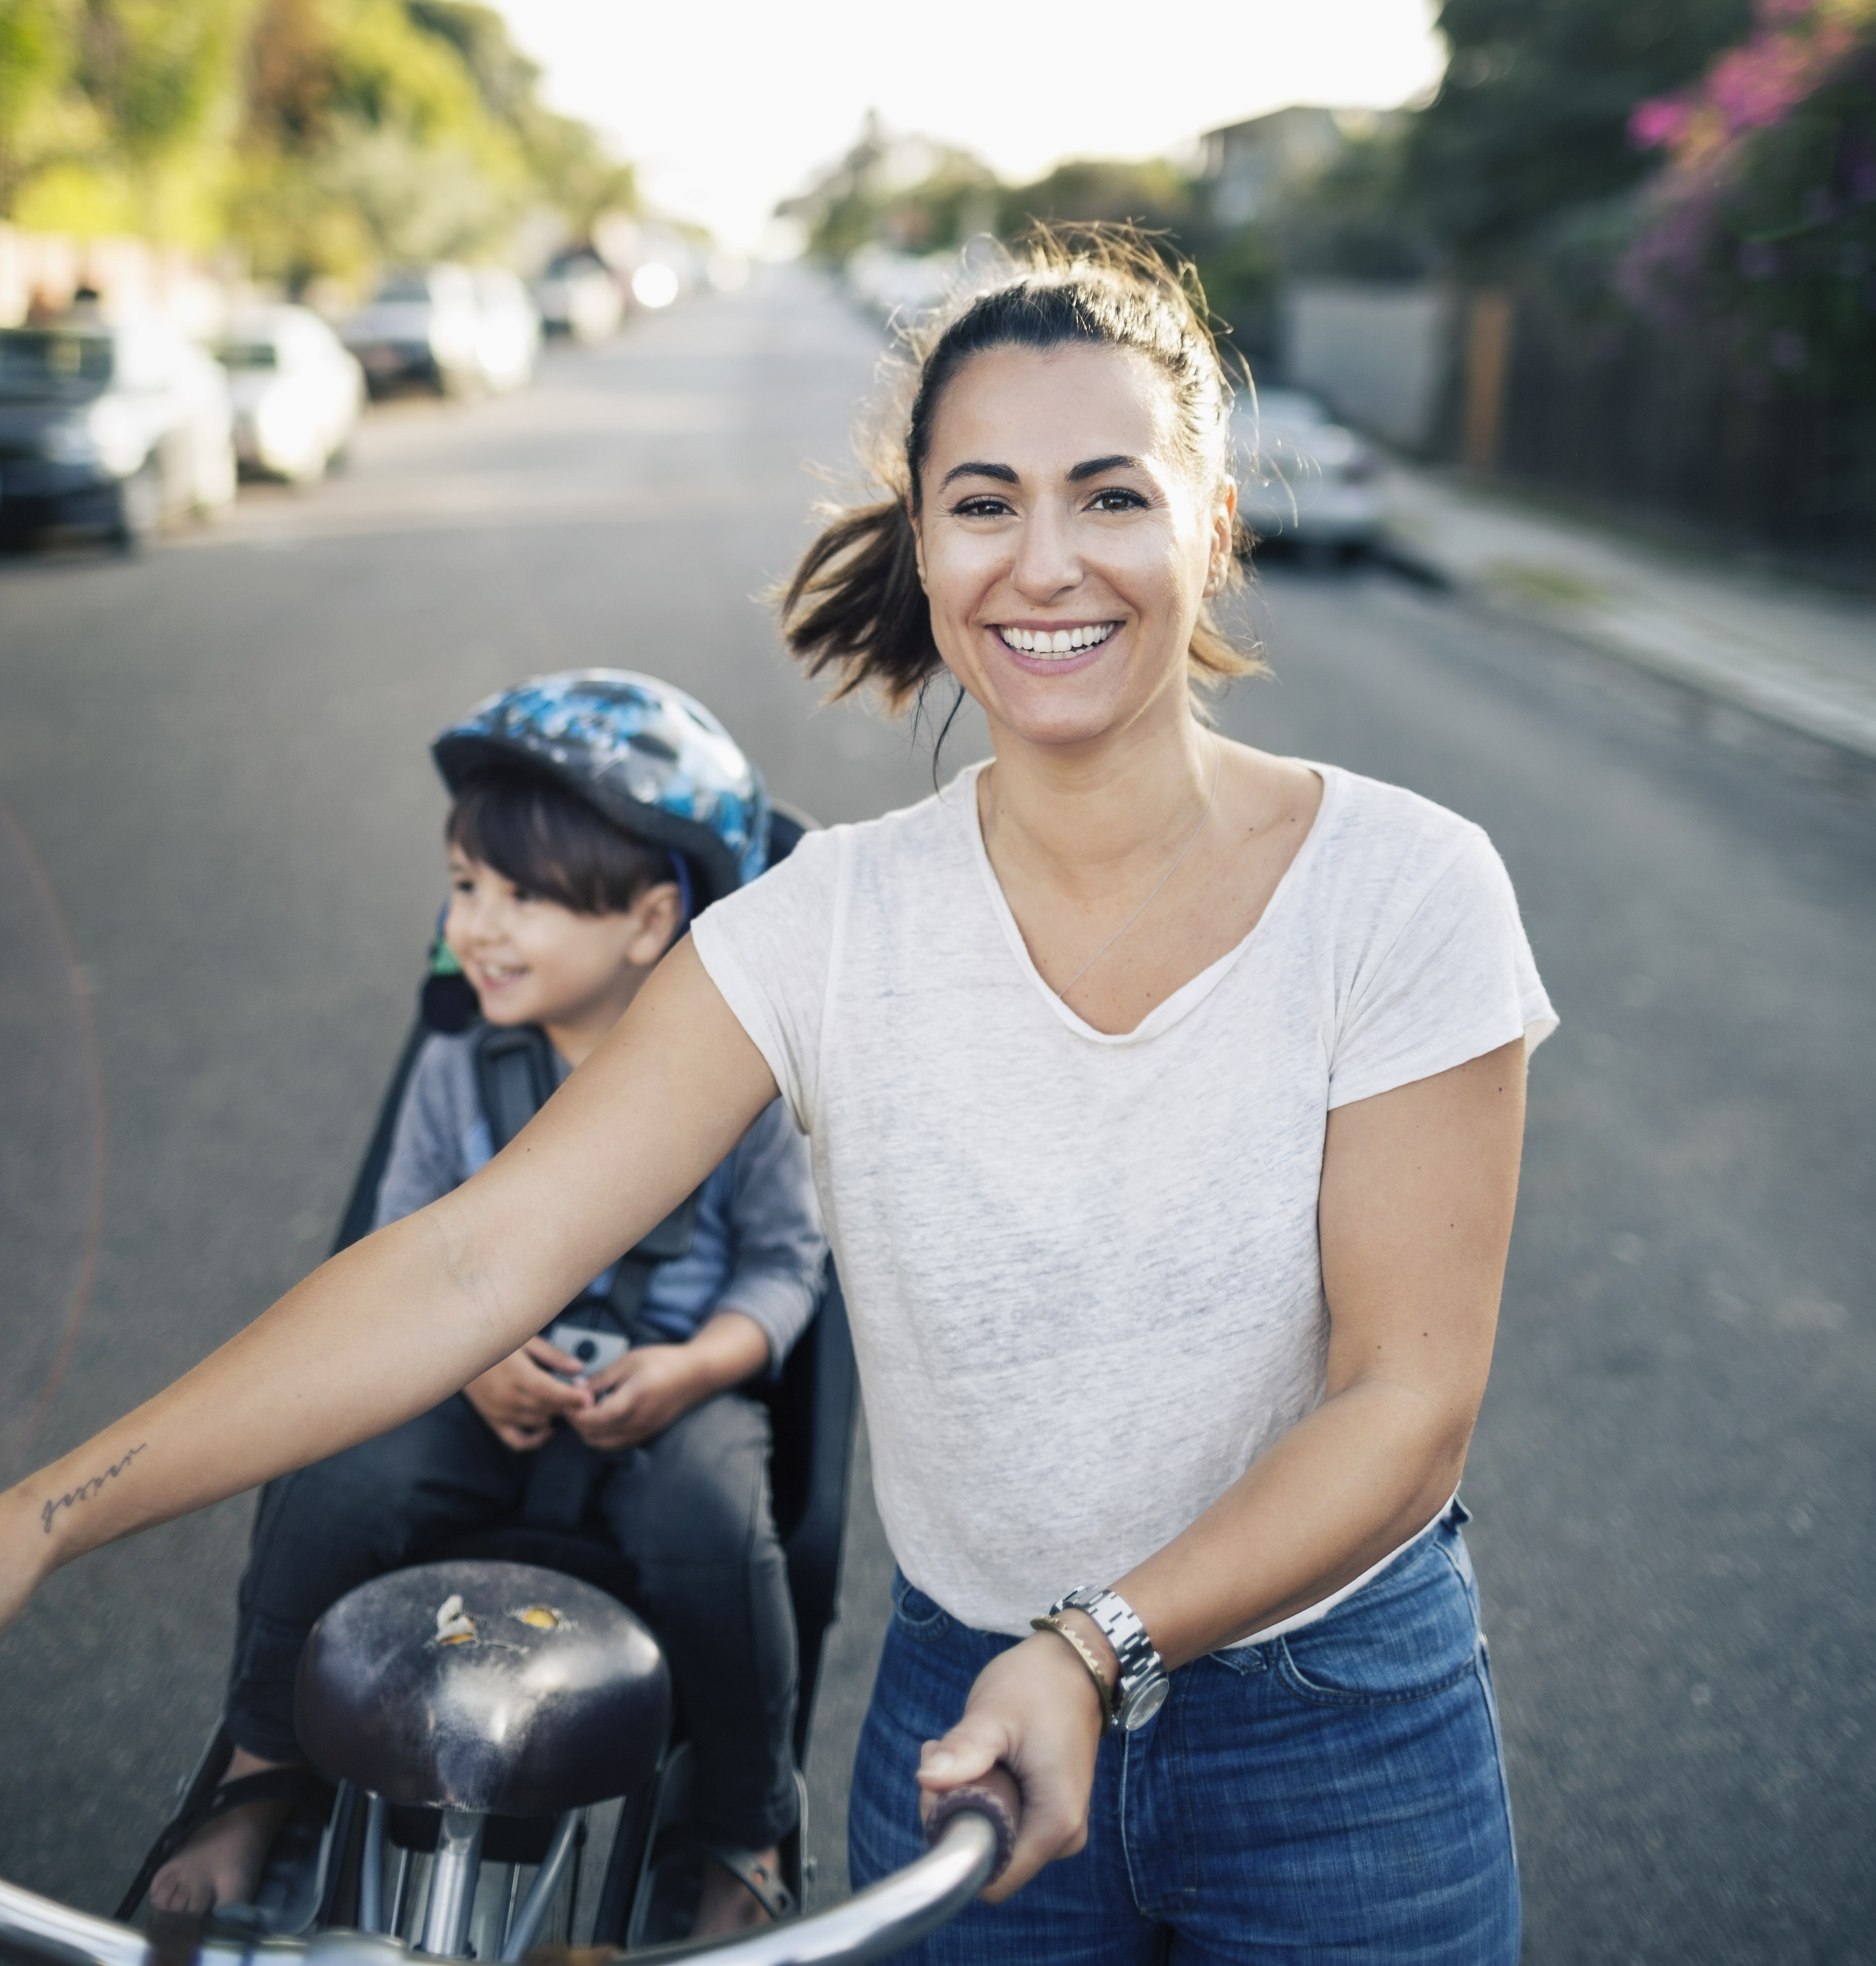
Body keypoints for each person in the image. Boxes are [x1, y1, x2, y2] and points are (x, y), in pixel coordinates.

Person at [4, 239, 1555, 1966]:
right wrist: (43, 1516)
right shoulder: (822, 926)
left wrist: (1102, 1644)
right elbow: (467, 1264)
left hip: (1337, 1724)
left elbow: (1408, 1398)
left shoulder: (1405, 886)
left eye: (1110, 496)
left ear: (1211, 523)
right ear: (924, 543)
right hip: (975, 1708)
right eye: (985, 503)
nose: (1046, 562)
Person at [148, 672, 826, 1946]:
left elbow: (787, 1271)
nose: (480, 927)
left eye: (526, 897)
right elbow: (403, 1239)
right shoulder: (458, 1066)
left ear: (649, 922)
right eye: (466, 887)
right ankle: (257, 1771)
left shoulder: (745, 1086)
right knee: (329, 1481)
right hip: (472, 1377)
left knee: (716, 1521)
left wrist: (696, 1369)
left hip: (668, 1393)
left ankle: (743, 1824)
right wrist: (467, 1359)